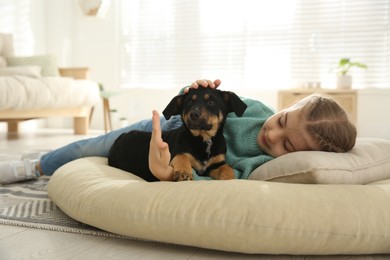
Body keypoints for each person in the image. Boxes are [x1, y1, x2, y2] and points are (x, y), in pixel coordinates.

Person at [0, 79, 357, 184]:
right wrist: (197, 88)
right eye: (281, 121)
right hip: (172, 128)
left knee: (105, 152)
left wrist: (173, 174)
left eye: (287, 143)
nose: (271, 135)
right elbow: (212, 100)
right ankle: (34, 166)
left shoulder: (262, 167)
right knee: (96, 144)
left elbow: (211, 178)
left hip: (184, 154)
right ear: (282, 110)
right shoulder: (258, 111)